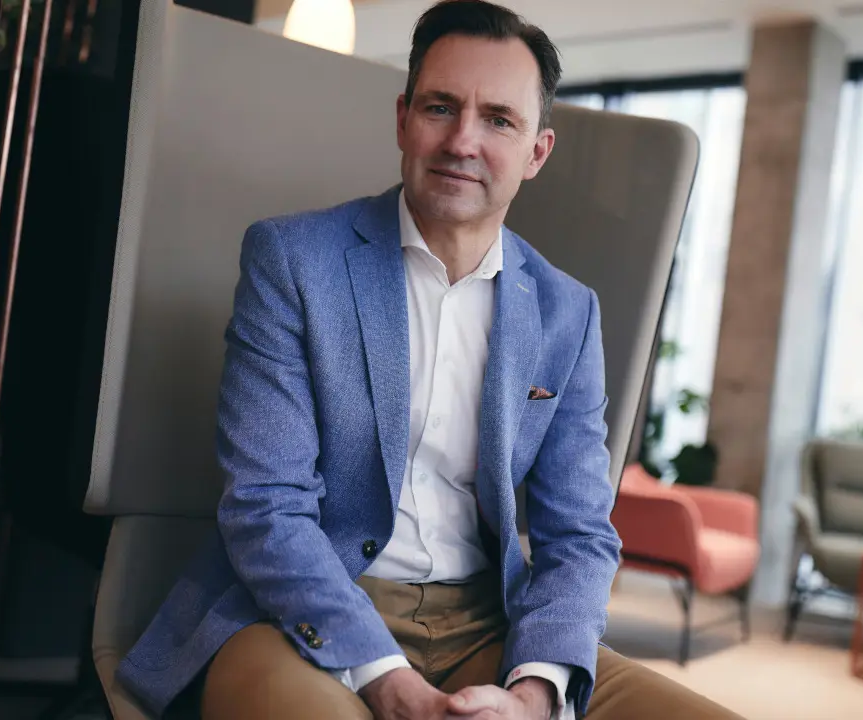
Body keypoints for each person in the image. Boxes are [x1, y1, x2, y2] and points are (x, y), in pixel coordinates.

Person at [116, 2, 741, 719]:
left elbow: (578, 535)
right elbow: (266, 507)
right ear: (403, 120)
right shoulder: (292, 261)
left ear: (537, 152)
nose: (462, 141)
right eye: (441, 107)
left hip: (488, 626)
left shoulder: (568, 313)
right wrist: (388, 679)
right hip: (297, 616)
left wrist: (533, 695)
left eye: (498, 120)